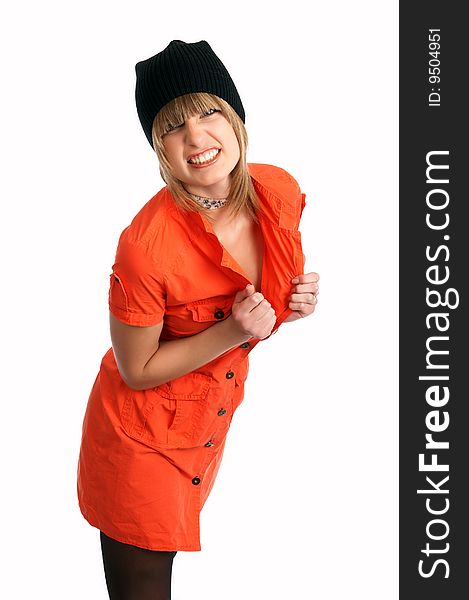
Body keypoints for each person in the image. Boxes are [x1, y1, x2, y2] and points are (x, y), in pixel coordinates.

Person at [77, 39, 319, 600]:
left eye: (209, 111)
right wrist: (232, 330)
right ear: (158, 147)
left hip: (202, 427)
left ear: (235, 117)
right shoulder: (145, 246)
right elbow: (136, 369)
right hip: (139, 440)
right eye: (173, 126)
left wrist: (294, 301)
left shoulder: (276, 190)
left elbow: (263, 299)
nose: (196, 137)